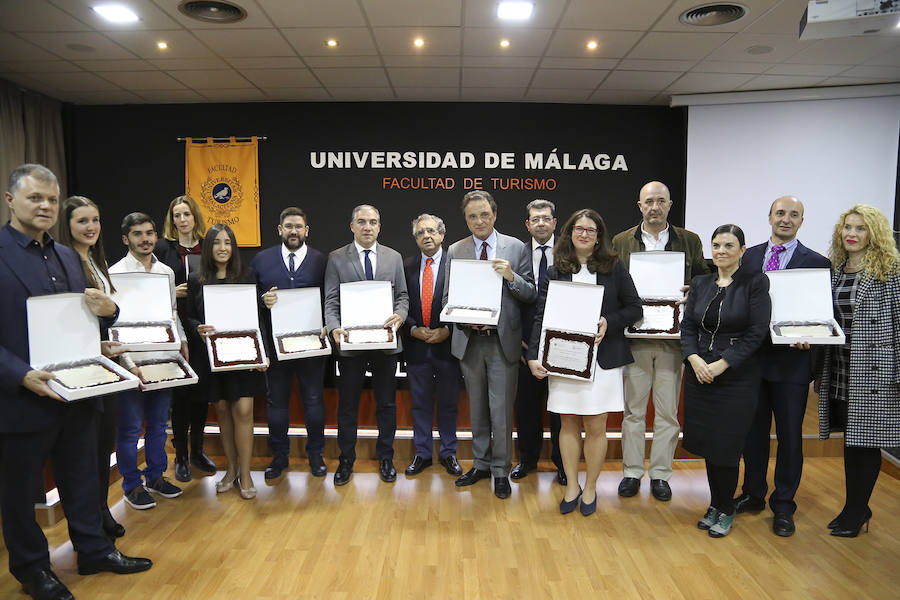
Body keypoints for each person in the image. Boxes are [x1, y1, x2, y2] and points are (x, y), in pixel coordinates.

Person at [0, 164, 151, 600]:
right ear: (11, 200)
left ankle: (94, 550)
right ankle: (33, 571)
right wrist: (19, 374)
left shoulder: (68, 257)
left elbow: (85, 319)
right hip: (21, 397)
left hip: (79, 392)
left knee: (84, 477)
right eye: (35, 199)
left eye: (51, 198)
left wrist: (105, 328)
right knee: (20, 491)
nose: (45, 206)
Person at [527, 209, 642, 515]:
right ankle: (572, 486)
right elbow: (541, 315)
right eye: (579, 229)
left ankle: (590, 487)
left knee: (595, 425)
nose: (585, 234)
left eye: (591, 231)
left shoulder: (614, 267)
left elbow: (634, 308)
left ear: (599, 236)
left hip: (601, 361)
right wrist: (532, 355)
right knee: (566, 422)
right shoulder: (555, 270)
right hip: (564, 358)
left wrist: (608, 321)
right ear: (569, 232)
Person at [733, 196, 830, 537]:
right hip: (751, 361)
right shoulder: (747, 258)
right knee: (753, 433)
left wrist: (811, 335)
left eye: (793, 215)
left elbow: (821, 314)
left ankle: (784, 505)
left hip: (792, 362)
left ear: (802, 221)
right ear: (769, 217)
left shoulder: (818, 263)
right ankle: (753, 493)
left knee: (790, 437)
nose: (785, 219)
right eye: (780, 213)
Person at [612, 180, 709, 502]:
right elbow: (617, 287)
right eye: (648, 201)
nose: (655, 207)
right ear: (639, 206)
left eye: (661, 201)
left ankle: (661, 474)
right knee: (633, 411)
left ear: (670, 205)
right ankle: (631, 471)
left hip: (673, 340)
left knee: (667, 412)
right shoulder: (621, 241)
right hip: (635, 338)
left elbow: (703, 282)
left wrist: (692, 291)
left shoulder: (690, 241)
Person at [444, 190, 537, 499]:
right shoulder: (456, 250)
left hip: (502, 342)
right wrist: (459, 316)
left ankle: (500, 470)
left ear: (494, 215)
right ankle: (481, 464)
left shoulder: (515, 247)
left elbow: (530, 293)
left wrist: (511, 276)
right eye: (472, 216)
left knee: (500, 410)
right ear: (466, 219)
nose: (479, 221)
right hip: (470, 341)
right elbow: (447, 298)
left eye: (484, 214)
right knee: (478, 410)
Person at [681, 224, 771, 538]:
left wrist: (722, 364)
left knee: (727, 447)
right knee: (708, 445)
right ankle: (715, 503)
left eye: (729, 246)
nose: (721, 251)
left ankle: (726, 506)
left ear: (742, 251)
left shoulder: (755, 283)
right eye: (716, 245)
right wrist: (693, 359)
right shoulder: (701, 282)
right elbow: (688, 328)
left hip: (736, 378)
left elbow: (756, 333)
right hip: (699, 376)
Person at [818, 204, 900, 538]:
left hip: (876, 371)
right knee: (852, 442)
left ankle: (855, 511)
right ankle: (856, 506)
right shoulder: (836, 269)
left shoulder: (890, 270)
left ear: (874, 233)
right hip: (839, 366)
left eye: (860, 228)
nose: (851, 234)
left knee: (866, 443)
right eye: (847, 227)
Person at [324, 205, 408, 486]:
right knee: (347, 406)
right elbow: (331, 301)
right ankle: (346, 460)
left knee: (386, 404)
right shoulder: (336, 258)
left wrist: (401, 315)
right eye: (361, 222)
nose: (367, 227)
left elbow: (403, 297)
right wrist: (334, 326)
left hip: (385, 344)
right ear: (352, 226)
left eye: (373, 222)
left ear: (379, 226)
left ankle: (386, 458)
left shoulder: (393, 257)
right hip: (350, 346)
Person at [109, 213, 188, 511]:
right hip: (131, 362)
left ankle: (156, 476)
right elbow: (114, 325)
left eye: (150, 233)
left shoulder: (166, 272)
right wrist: (128, 362)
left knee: (158, 425)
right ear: (125, 239)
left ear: (156, 236)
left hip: (163, 358)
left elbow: (171, 313)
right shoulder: (114, 274)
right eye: (138, 234)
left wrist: (182, 341)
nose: (145, 238)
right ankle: (131, 485)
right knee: (130, 429)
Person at [59, 195, 126, 537]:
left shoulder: (97, 261)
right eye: (82, 221)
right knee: (84, 456)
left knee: (103, 448)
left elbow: (107, 315)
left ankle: (101, 510)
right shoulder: (65, 263)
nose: (90, 227)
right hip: (82, 369)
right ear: (67, 226)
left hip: (107, 365)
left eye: (95, 220)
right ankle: (91, 524)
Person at [185, 224, 267, 500]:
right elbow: (190, 317)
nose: (222, 248)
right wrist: (197, 327)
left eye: (228, 243)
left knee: (243, 412)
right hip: (212, 357)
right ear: (208, 248)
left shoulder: (248, 275)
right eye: (217, 243)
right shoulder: (197, 279)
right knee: (222, 411)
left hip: (244, 355)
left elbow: (259, 318)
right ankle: (230, 470)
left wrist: (262, 353)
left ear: (234, 247)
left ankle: (245, 473)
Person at [252, 207, 328, 479]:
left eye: (298, 226)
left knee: (313, 400)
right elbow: (251, 300)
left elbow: (330, 299)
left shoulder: (322, 260)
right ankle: (279, 456)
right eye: (288, 226)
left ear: (307, 231)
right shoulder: (262, 260)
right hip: (276, 347)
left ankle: (316, 455)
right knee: (277, 403)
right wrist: (262, 300)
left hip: (312, 346)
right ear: (280, 230)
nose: (293, 231)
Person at [154, 195, 216, 482]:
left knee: (201, 395)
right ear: (172, 219)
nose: (182, 220)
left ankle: (197, 451)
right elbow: (151, 285)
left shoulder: (207, 246)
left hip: (203, 327)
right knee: (181, 397)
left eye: (186, 214)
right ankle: (179, 455)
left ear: (195, 217)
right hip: (176, 328)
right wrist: (172, 292)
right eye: (177, 215)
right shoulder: (162, 248)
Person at [402, 214, 461, 477]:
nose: (426, 236)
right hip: (416, 346)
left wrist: (448, 330)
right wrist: (413, 329)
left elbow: (464, 303)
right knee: (420, 403)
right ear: (415, 238)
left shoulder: (456, 265)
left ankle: (449, 453)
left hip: (448, 347)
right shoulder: (406, 266)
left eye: (431, 231)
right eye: (420, 233)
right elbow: (400, 304)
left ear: (441, 235)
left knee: (449, 403)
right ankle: (423, 453)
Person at [512, 199, 565, 485]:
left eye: (546, 218)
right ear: (528, 225)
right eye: (535, 219)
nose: (541, 223)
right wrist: (522, 340)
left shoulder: (569, 253)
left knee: (560, 409)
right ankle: (527, 460)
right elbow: (512, 300)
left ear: (555, 222)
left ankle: (562, 463)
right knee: (527, 407)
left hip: (562, 345)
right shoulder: (517, 253)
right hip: (525, 346)